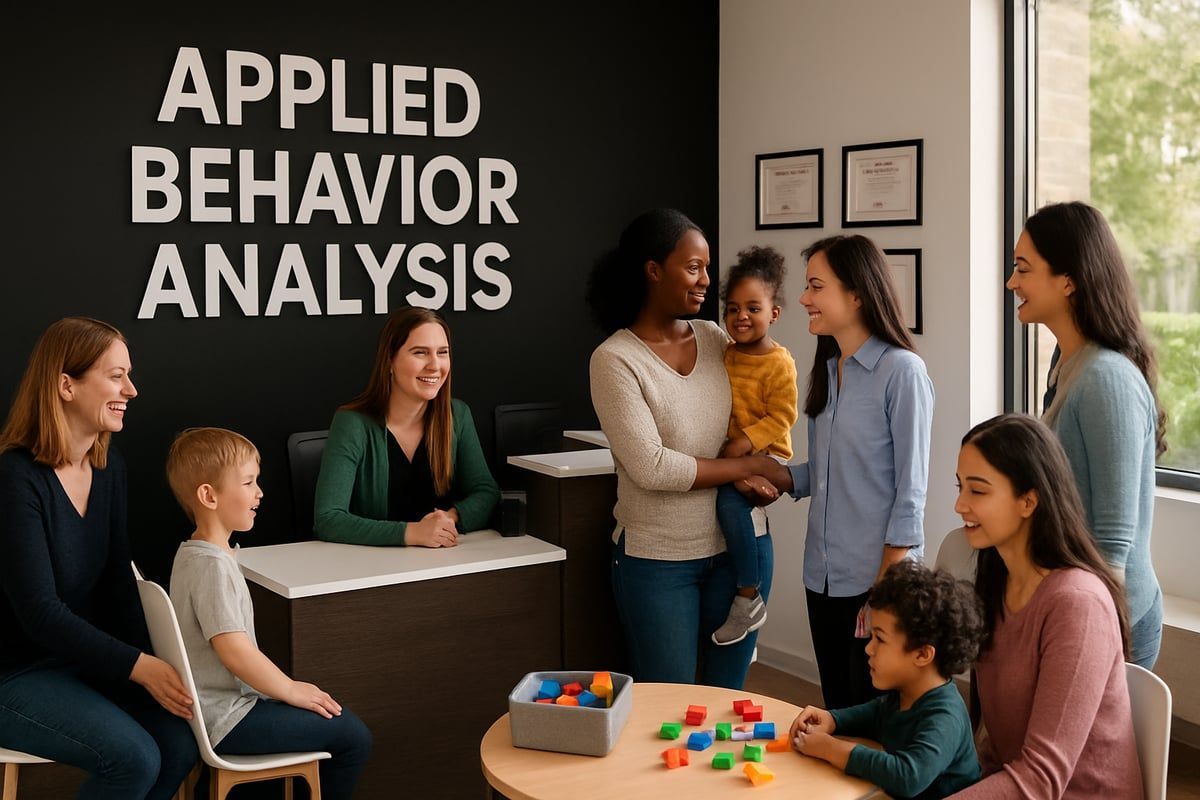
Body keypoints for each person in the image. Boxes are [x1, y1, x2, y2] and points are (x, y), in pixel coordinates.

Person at [0, 317, 198, 799]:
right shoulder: (14, 478)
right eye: (115, 376)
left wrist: (157, 666)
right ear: (66, 384)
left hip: (79, 662)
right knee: (132, 757)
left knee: (178, 742)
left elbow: (117, 584)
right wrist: (141, 668)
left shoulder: (109, 469)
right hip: (15, 672)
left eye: (128, 375)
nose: (131, 389)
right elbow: (40, 613)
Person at [587, 208, 784, 689]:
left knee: (726, 704)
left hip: (742, 549)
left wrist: (765, 471)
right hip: (658, 562)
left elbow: (759, 414)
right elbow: (652, 467)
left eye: (707, 268)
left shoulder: (718, 339)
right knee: (668, 707)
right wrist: (745, 464)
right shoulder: (615, 359)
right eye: (693, 267)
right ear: (654, 271)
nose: (706, 282)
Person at [756, 235, 934, 709]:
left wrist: (885, 586)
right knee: (839, 708)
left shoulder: (903, 372)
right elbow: (834, 472)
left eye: (816, 286)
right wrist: (781, 477)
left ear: (857, 294)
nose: (803, 299)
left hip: (877, 582)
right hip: (823, 576)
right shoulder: (830, 369)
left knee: (877, 719)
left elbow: (910, 490)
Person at [167, 427, 372, 799]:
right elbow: (235, 652)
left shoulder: (193, 554)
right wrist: (290, 690)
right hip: (229, 718)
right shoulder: (212, 567)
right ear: (209, 495)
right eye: (248, 482)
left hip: (217, 712)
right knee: (353, 736)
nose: (259, 492)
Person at [949, 414, 1142, 799]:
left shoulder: (1077, 604)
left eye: (978, 491)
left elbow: (1040, 778)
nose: (959, 505)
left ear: (1028, 501)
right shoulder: (997, 583)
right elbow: (1000, 748)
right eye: (960, 487)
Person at [1008, 200, 1165, 668]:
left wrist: (1090, 640)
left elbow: (1113, 541)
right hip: (1076, 606)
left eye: (1023, 269)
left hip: (1112, 620)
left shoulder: (1106, 378)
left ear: (1069, 280)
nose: (1012, 283)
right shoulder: (1066, 363)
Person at [789, 561, 983, 800]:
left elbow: (908, 777)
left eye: (879, 639)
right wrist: (832, 719)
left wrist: (832, 749)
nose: (869, 649)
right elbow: (875, 714)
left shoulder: (945, 717)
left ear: (922, 654)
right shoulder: (904, 693)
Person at [313, 307, 500, 546]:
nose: (435, 365)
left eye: (442, 352)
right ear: (390, 360)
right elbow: (328, 519)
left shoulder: (457, 415)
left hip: (445, 563)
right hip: (373, 571)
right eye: (420, 353)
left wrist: (449, 520)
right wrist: (413, 533)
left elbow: (487, 492)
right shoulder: (352, 423)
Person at [711, 246, 798, 646]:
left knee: (731, 503)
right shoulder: (726, 354)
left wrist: (744, 446)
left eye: (752, 308)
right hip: (738, 452)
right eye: (732, 308)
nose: (741, 317)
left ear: (773, 314)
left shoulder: (779, 362)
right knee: (731, 496)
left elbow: (783, 417)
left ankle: (749, 596)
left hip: (768, 453)